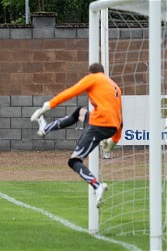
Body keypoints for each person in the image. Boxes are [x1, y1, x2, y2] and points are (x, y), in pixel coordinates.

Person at [30, 63, 123, 208]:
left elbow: (70, 92)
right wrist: (113, 142)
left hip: (99, 125)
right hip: (111, 125)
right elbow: (119, 117)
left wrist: (46, 106)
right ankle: (45, 129)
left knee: (74, 161)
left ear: (90, 73)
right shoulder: (114, 86)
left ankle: (97, 185)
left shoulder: (93, 78)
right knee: (81, 112)